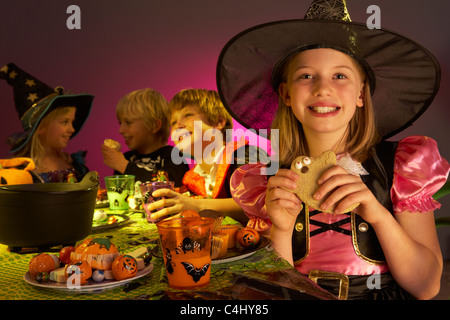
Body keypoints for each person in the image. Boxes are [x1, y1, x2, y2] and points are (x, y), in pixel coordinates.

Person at [217, 0, 450, 300]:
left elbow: (427, 286)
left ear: (361, 94)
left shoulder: (401, 168)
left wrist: (377, 214)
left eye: (340, 76)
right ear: (286, 94)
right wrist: (282, 229)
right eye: (306, 76)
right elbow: (272, 293)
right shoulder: (268, 183)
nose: (322, 89)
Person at [147, 89, 269, 224]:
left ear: (218, 122)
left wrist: (198, 205)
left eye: (188, 115)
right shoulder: (191, 178)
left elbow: (260, 205)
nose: (178, 126)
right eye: (173, 122)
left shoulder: (244, 155)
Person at [1, 63, 94, 183]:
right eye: (65, 122)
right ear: (40, 127)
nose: (72, 129)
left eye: (72, 122)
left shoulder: (75, 166)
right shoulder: (19, 172)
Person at [101, 88, 188, 187]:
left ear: (154, 125)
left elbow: (171, 185)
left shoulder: (174, 156)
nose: (121, 130)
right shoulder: (127, 158)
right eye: (120, 123)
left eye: (128, 122)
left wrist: (124, 166)